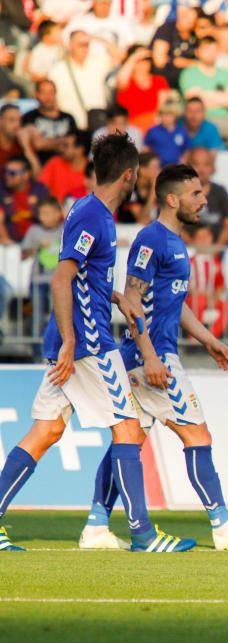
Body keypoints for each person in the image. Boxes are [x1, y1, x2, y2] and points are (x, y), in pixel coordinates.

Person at [0, 133, 195, 553]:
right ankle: (143, 534)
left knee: (47, 429)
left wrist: (118, 296)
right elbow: (62, 277)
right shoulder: (95, 217)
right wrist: (72, 341)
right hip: (88, 344)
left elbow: (87, 276)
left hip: (73, 341)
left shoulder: (87, 211)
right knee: (127, 427)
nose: (137, 183)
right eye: (137, 176)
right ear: (129, 175)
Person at [92, 163, 228, 551]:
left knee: (129, 439)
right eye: (196, 194)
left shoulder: (175, 241)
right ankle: (222, 525)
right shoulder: (151, 239)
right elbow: (132, 299)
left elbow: (177, 302)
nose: (204, 200)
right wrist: (152, 357)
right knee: (197, 435)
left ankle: (96, 525)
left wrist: (208, 339)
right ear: (172, 199)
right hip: (152, 358)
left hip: (146, 354)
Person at [179, 36, 228, 163]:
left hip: (226, 121)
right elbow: (195, 101)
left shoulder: (224, 74)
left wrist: (207, 95)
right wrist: (223, 98)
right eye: (207, 49)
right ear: (198, 51)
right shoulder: (189, 73)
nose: (211, 53)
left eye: (214, 49)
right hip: (201, 121)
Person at [48, 31, 112, 130]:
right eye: (80, 45)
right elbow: (52, 99)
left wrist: (95, 37)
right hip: (73, 126)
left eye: (87, 44)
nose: (84, 48)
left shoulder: (98, 63)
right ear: (70, 45)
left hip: (98, 124)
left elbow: (120, 56)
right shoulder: (57, 70)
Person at [187, 224, 228, 339]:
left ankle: (210, 337)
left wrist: (214, 297)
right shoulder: (189, 262)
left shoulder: (215, 262)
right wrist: (197, 294)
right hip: (192, 298)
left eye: (207, 237)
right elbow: (186, 284)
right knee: (198, 303)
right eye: (200, 237)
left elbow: (220, 284)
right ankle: (194, 338)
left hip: (210, 298)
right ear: (194, 241)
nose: (204, 241)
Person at [186, 147, 228, 246]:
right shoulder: (180, 194)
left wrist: (217, 249)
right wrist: (192, 248)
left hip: (219, 252)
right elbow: (173, 225)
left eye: (206, 164)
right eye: (196, 164)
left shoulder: (220, 192)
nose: (201, 170)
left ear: (212, 168)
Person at [116, 46, 170, 133]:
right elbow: (121, 81)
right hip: (131, 128)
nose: (143, 63)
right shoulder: (127, 82)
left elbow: (161, 108)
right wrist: (135, 57)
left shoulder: (159, 81)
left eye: (146, 60)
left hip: (155, 126)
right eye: (139, 61)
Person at [65, 0, 134, 64]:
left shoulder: (122, 22)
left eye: (107, 4)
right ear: (94, 4)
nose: (104, 6)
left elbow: (130, 47)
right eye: (101, 3)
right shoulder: (80, 21)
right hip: (87, 63)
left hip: (115, 65)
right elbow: (68, 41)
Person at [0, 156, 50, 244]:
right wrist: (8, 243)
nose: (7, 176)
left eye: (12, 173)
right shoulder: (2, 190)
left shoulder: (39, 190)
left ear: (26, 175)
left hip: (39, 242)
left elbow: (51, 215)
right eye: (5, 171)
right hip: (11, 243)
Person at [151, 3, 200, 89]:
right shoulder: (166, 29)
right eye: (186, 17)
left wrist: (183, 62)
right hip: (166, 78)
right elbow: (159, 61)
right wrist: (177, 61)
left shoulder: (195, 36)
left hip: (189, 78)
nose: (188, 21)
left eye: (192, 19)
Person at [38, 130, 90, 205]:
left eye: (66, 145)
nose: (62, 148)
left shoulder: (92, 173)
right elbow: (40, 188)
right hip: (54, 213)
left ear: (80, 149)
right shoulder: (55, 163)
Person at [144, 92, 189, 167]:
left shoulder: (182, 131)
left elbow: (186, 151)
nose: (166, 118)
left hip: (176, 168)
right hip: (158, 168)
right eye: (163, 114)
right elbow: (146, 149)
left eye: (170, 114)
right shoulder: (153, 131)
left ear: (176, 115)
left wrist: (182, 163)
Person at [118, 150, 160, 225]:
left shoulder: (158, 191)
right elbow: (142, 220)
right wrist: (153, 192)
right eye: (154, 167)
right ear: (142, 170)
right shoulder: (130, 191)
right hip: (127, 233)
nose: (158, 171)